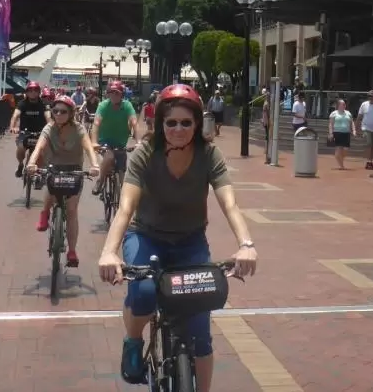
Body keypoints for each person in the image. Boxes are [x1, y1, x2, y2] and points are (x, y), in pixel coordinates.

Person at [97, 84, 258, 390]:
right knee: (143, 293)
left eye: (186, 122)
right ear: (160, 124)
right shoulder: (146, 153)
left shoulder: (209, 155)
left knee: (200, 330)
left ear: (198, 124)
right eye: (171, 123)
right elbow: (126, 208)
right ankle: (133, 340)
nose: (178, 129)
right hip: (146, 236)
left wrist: (246, 244)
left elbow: (229, 204)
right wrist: (109, 252)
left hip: (190, 242)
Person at [26, 94, 101, 265]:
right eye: (56, 111)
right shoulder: (48, 129)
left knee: (72, 210)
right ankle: (45, 212)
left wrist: (95, 165)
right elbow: (39, 147)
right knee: (50, 190)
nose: (58, 114)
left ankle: (72, 251)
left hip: (74, 170)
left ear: (71, 113)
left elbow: (88, 148)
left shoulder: (79, 129)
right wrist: (31, 162)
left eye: (63, 112)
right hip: (54, 167)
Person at [92, 80, 139, 195]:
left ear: (121, 95)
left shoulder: (127, 105)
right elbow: (96, 123)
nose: (114, 95)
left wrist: (139, 141)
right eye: (111, 93)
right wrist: (94, 142)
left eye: (117, 93)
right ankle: (100, 180)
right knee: (109, 157)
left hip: (120, 144)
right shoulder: (103, 105)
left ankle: (121, 204)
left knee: (123, 179)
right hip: (105, 142)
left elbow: (134, 122)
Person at [8, 81, 47, 177]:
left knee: (41, 154)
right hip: (24, 132)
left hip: (40, 133)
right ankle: (20, 164)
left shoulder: (43, 104)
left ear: (39, 92)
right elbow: (15, 115)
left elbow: (48, 116)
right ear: (27, 92)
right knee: (21, 149)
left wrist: (51, 127)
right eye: (30, 90)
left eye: (35, 90)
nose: (33, 92)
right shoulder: (22, 103)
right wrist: (13, 127)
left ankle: (38, 173)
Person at [327, 98, 356, 170]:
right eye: (342, 104)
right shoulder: (334, 113)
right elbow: (331, 124)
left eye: (344, 104)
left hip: (346, 133)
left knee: (346, 149)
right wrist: (331, 133)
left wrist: (354, 130)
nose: (344, 105)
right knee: (338, 149)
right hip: (337, 132)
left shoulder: (348, 113)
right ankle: (341, 165)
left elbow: (352, 122)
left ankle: (340, 160)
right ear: (338, 105)